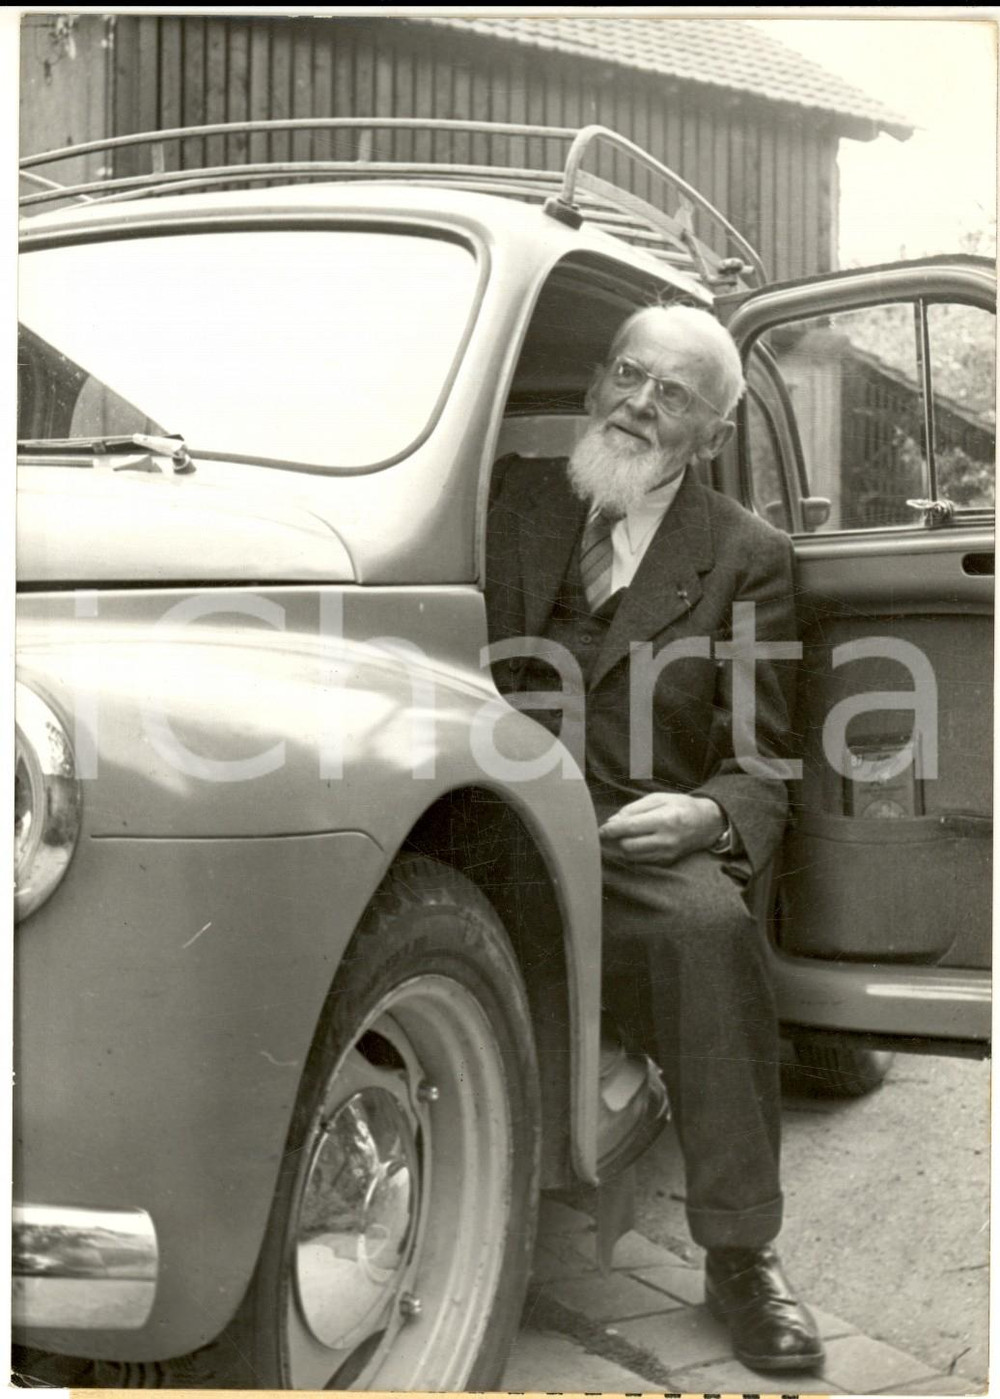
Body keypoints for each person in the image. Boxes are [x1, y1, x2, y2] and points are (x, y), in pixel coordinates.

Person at [485, 303, 823, 1376]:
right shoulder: (508, 507)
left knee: (707, 931)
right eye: (626, 374)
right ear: (597, 384)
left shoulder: (747, 557)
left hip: (630, 837)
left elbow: (763, 758)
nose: (636, 402)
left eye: (671, 393)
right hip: (486, 812)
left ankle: (740, 1254)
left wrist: (708, 814)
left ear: (711, 433)